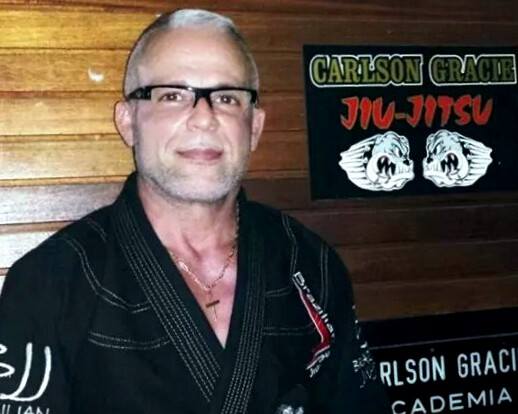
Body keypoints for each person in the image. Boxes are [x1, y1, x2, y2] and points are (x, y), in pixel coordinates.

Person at [0, 9, 390, 414]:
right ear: (128, 121)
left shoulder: (310, 264)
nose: (204, 118)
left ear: (254, 127)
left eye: (226, 98)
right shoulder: (51, 284)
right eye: (172, 95)